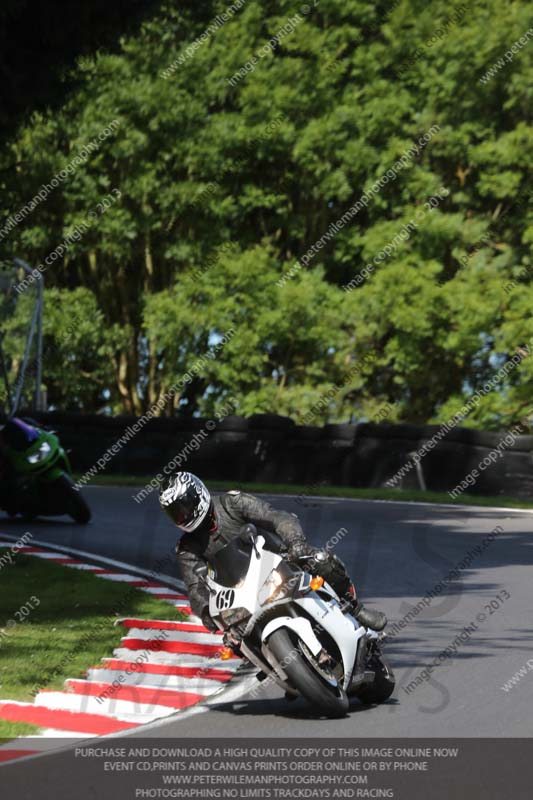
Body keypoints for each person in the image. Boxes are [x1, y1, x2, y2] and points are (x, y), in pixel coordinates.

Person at [159, 471, 387, 633]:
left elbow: (277, 517)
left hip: (280, 561)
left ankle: (356, 608)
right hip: (241, 595)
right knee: (234, 638)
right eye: (176, 513)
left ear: (198, 494)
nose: (183, 515)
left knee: (319, 560)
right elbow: (195, 588)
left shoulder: (232, 503)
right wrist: (207, 612)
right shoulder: (187, 548)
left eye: (185, 507)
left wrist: (295, 542)